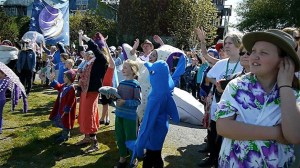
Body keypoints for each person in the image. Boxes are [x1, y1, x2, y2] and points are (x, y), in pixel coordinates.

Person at [216, 29, 300, 167]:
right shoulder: (237, 86)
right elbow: (223, 127)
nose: (254, 56)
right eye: (253, 51)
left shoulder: (294, 94)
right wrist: (276, 133)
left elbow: (294, 136)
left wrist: (285, 85)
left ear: (283, 61)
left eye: (263, 53)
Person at [200, 32, 243, 167]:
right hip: (216, 106)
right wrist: (218, 83)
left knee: (224, 138)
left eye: (230, 43)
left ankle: (220, 161)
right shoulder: (222, 63)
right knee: (213, 134)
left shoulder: (244, 64)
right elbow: (209, 77)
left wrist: (230, 86)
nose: (226, 46)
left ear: (239, 44)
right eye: (225, 43)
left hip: (234, 109)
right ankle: (211, 158)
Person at [75, 31, 109, 153]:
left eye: (92, 51)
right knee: (84, 114)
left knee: (89, 115)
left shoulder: (101, 61)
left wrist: (86, 38)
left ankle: (95, 143)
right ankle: (86, 137)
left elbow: (94, 48)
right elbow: (81, 49)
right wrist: (80, 38)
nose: (88, 53)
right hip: (85, 90)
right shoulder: (89, 61)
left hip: (92, 91)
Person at [114, 60, 141, 168]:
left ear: (133, 70)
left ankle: (134, 158)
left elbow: (138, 101)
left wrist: (125, 102)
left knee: (131, 138)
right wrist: (112, 96)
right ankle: (122, 157)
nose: (123, 69)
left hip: (130, 117)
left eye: (126, 67)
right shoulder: (121, 83)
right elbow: (118, 97)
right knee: (120, 137)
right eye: (123, 67)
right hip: (119, 114)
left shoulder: (135, 85)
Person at [49, 70, 77, 143]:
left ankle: (65, 136)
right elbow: (58, 86)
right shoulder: (64, 85)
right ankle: (63, 135)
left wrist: (67, 109)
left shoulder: (71, 88)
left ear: (70, 78)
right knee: (63, 121)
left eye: (65, 77)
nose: (63, 78)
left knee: (66, 121)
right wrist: (53, 80)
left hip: (67, 109)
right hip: (61, 106)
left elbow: (71, 100)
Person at [0, 62, 28, 134]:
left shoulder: (6, 80)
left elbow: (2, 88)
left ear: (4, 73)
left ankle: (0, 128)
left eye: (0, 73)